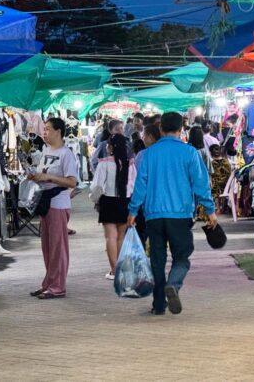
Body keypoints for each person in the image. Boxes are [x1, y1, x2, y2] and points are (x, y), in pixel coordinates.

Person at [128, 112, 217, 316]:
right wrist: (210, 211)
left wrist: (133, 210)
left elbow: (140, 185)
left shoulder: (148, 154)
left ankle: (158, 305)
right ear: (181, 130)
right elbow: (201, 185)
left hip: (153, 215)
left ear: (160, 129)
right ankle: (173, 285)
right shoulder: (190, 153)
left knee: (157, 260)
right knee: (182, 257)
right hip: (180, 215)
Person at [28, 118, 78, 299]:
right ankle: (48, 283)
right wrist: (36, 176)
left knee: (58, 247)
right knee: (47, 247)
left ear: (59, 131)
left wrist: (48, 177)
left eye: (48, 129)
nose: (44, 133)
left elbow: (72, 181)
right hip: (45, 204)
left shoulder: (66, 154)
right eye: (44, 129)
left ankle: (58, 286)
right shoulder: (46, 151)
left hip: (58, 204)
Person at [90, 134, 137, 280]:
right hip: (126, 201)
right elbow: (134, 186)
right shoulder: (131, 164)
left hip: (108, 202)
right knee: (121, 237)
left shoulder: (104, 163)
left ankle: (114, 270)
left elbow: (97, 186)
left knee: (110, 237)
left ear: (111, 146)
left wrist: (95, 199)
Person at [209, 144, 232, 215]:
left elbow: (211, 175)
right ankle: (224, 207)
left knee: (213, 184)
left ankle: (218, 208)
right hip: (228, 185)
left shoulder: (212, 163)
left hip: (217, 187)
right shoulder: (226, 161)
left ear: (211, 153)